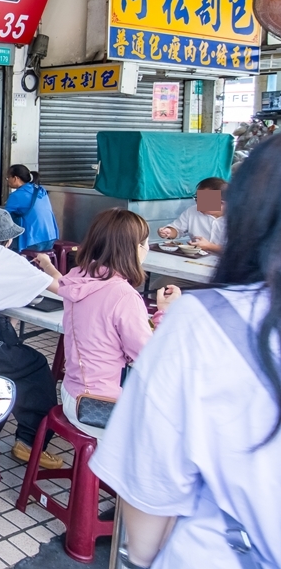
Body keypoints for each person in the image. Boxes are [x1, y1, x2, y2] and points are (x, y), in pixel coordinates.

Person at [90, 136, 281, 569]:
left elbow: (149, 483)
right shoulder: (192, 217)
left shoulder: (202, 323)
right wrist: (171, 233)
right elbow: (175, 231)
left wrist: (143, 556)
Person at [59, 209, 181, 438]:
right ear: (133, 249)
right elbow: (149, 358)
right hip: (99, 406)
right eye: (144, 243)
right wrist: (165, 313)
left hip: (71, 392)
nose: (147, 249)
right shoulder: (123, 295)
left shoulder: (78, 278)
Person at [0, 207, 65, 469]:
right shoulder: (0, 256)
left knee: (14, 352)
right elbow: (63, 288)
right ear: (7, 240)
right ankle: (29, 442)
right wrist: (48, 265)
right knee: (34, 366)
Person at [157, 176, 228, 254]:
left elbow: (237, 251)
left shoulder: (236, 219)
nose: (198, 203)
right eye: (197, 198)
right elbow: (177, 229)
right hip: (197, 258)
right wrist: (168, 232)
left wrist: (209, 246)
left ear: (222, 203)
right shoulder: (192, 211)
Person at [5, 164, 59, 252]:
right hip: (51, 238)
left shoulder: (16, 196)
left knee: (5, 244)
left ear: (15, 178)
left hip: (33, 241)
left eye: (8, 178)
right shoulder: (41, 190)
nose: (7, 181)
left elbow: (4, 218)